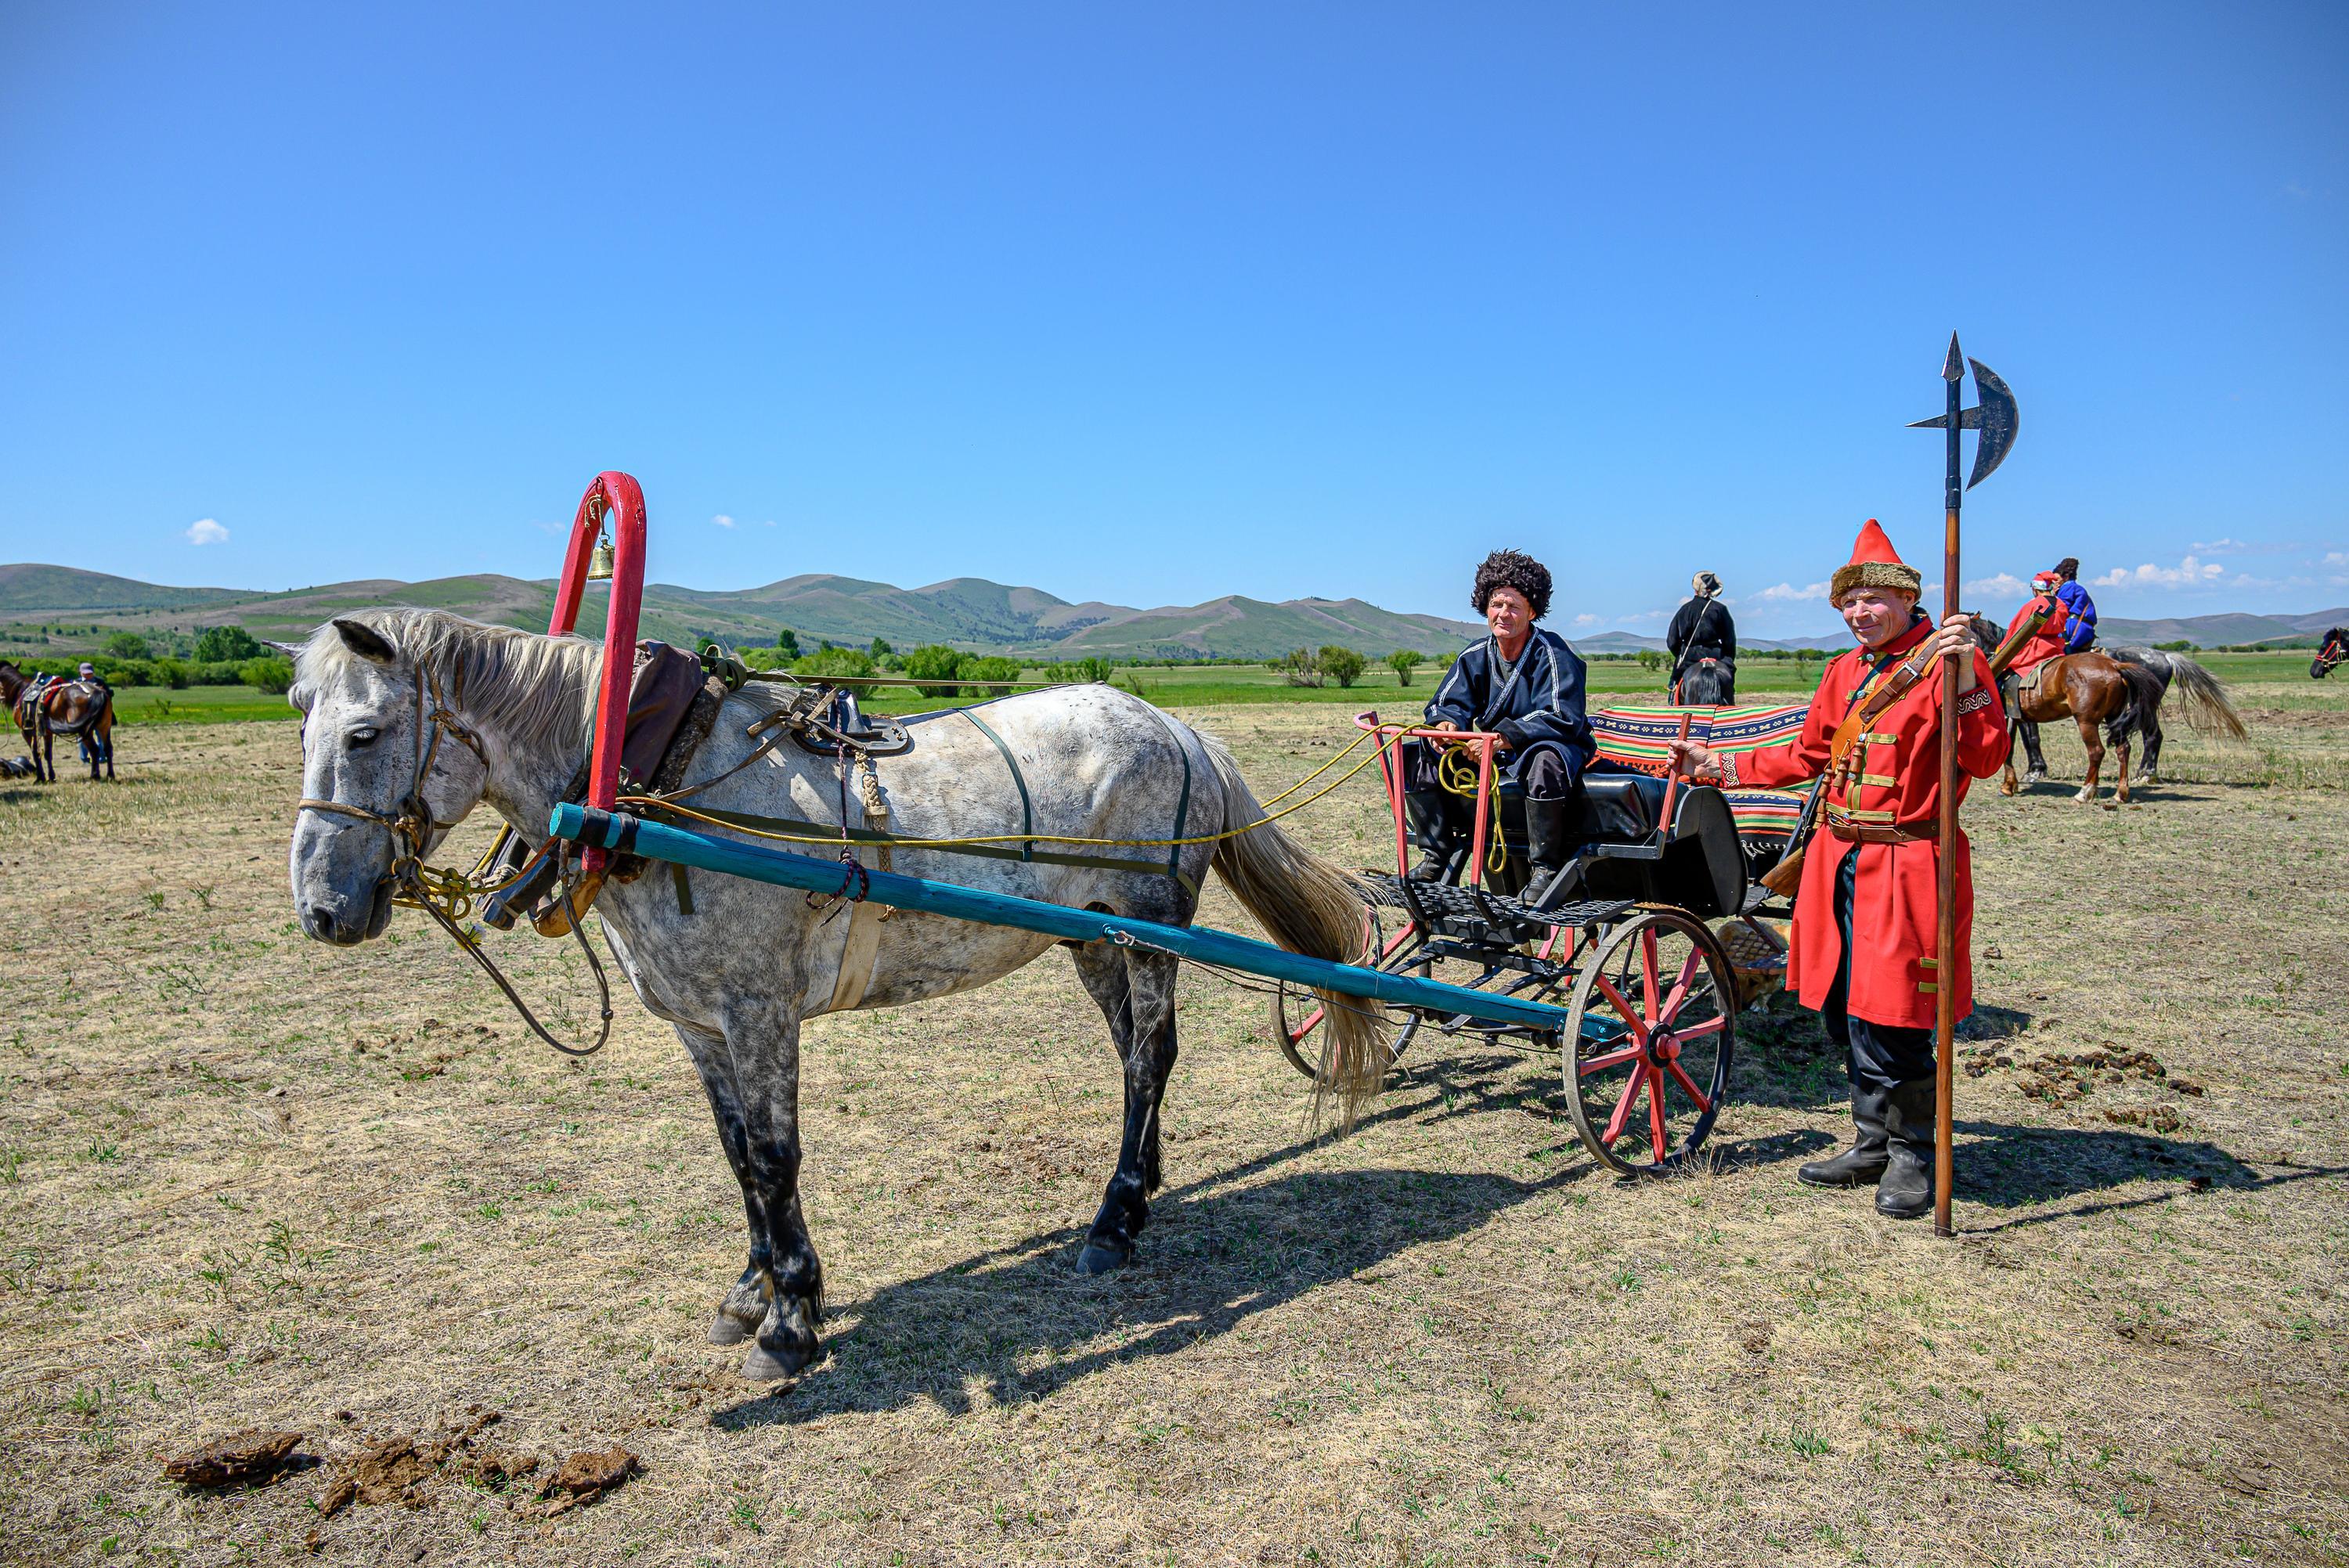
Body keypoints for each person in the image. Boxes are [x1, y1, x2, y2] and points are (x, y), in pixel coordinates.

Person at [1668, 520, 2005, 1219]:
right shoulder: (1844, 672)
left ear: (1910, 601)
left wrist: (1970, 673)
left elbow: (1986, 757)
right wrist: (1722, 767)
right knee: (1837, 1002)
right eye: (1850, 604)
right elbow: (1805, 755)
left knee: (1898, 1014)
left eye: (1874, 600)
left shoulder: (1944, 662)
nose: (1860, 614)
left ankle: (1917, 1153)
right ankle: (1871, 1140)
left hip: (1908, 861)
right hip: (1836, 855)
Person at [1409, 550, 1595, 899]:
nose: (1503, 614)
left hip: (1553, 747)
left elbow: (1562, 716)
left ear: (1533, 612)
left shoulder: (1554, 655)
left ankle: (1546, 868)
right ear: (1485, 607)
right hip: (1497, 753)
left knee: (1546, 760)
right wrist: (1445, 726)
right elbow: (1446, 703)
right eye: (1497, 604)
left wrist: (1502, 737)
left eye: (1514, 606)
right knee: (1415, 749)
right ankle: (1437, 853)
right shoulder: (1475, 655)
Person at [1665, 571, 1737, 701]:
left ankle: (1672, 701)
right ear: (1711, 590)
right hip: (1717, 655)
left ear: (1695, 588)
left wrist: (1681, 653)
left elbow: (1672, 641)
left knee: (1675, 685)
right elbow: (1729, 640)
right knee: (1729, 678)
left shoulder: (1684, 610)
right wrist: (1728, 658)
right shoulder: (1721, 609)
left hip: (1690, 656)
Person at [2051, 557, 2097, 654]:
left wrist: (2053, 596)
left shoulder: (2068, 587)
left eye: (2057, 579)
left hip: (2073, 628)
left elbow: (2061, 609)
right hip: (2085, 628)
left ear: (2066, 577)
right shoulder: (2077, 588)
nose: (2054, 582)